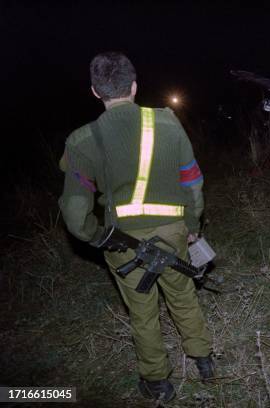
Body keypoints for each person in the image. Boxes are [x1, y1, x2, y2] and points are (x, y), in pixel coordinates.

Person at [58, 51, 214, 402]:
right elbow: (192, 180)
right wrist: (191, 225)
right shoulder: (168, 123)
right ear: (133, 85)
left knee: (143, 311)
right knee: (184, 295)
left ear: (96, 92)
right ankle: (204, 360)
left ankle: (157, 382)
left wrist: (97, 237)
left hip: (123, 243)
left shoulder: (81, 141)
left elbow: (74, 209)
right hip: (173, 230)